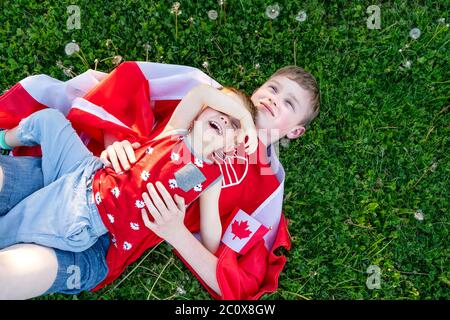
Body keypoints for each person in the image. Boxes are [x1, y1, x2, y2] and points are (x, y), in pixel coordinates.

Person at [0, 61, 320, 299]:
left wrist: (175, 232)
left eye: (289, 103)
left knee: (28, 267)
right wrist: (118, 142)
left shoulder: (263, 190)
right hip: (82, 178)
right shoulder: (213, 103)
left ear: (295, 131)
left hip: (109, 243)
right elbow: (129, 85)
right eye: (273, 88)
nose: (276, 99)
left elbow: (239, 281)